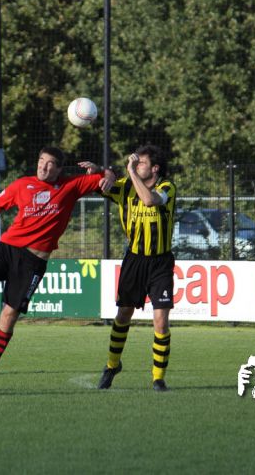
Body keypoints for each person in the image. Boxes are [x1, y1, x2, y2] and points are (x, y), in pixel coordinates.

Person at [0, 146, 115, 391]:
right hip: (7, 248)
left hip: (32, 262)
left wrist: (102, 171)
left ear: (59, 168)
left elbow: (108, 177)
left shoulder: (71, 186)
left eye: (50, 163)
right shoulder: (22, 184)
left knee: (8, 316)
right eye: (41, 160)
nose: (44, 166)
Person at [94, 145, 176, 392]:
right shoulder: (125, 187)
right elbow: (100, 184)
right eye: (135, 163)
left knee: (160, 321)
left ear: (155, 168)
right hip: (135, 260)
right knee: (123, 315)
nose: (136, 165)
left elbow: (149, 200)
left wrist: (129, 170)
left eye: (141, 163)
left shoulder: (167, 188)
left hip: (160, 262)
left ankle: (158, 378)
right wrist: (99, 171)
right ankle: (112, 365)